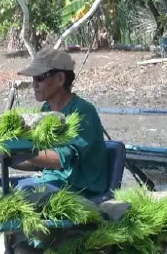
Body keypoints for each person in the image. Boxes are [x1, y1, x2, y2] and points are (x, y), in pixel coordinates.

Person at [10, 48, 109, 196]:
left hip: (79, 189)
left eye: (40, 78)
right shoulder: (46, 109)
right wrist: (5, 155)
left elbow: (61, 160)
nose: (34, 85)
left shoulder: (82, 111)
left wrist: (19, 149)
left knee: (21, 194)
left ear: (60, 79)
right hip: (52, 181)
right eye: (33, 79)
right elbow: (40, 160)